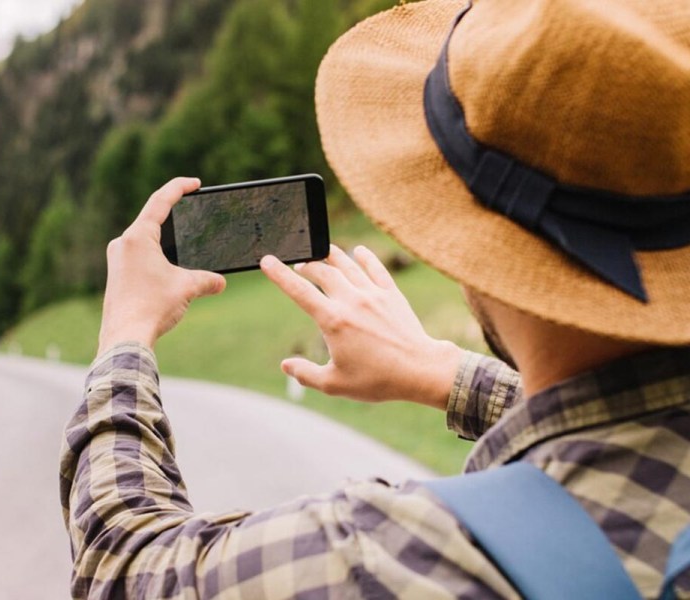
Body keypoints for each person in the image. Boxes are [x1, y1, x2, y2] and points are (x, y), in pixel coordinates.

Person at [59, 0, 690, 597]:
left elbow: (125, 567)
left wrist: (125, 333)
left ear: (473, 235)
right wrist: (447, 375)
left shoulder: (399, 557)